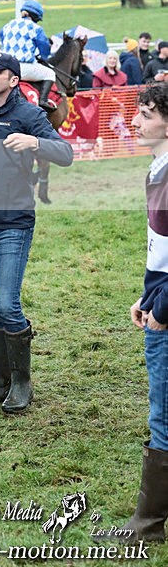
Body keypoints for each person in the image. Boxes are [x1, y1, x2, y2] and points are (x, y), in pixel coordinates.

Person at [0, 53, 73, 413]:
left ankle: (22, 385)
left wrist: (34, 143)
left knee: (8, 305)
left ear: (14, 80)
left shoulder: (28, 114)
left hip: (13, 224)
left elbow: (66, 153)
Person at [114, 84, 168, 542]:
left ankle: (148, 525)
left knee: (163, 417)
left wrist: (163, 310)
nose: (135, 121)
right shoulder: (158, 168)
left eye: (146, 113)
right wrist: (147, 296)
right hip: (160, 300)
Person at [0, 0, 56, 111]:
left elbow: (2, 36)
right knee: (50, 73)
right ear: (35, 17)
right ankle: (43, 101)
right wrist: (44, 56)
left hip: (3, 65)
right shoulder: (36, 28)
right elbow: (44, 50)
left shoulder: (8, 24)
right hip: (21, 67)